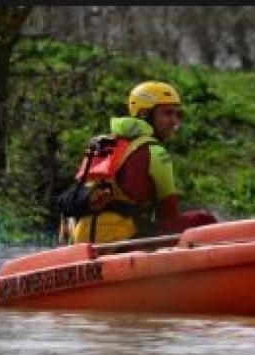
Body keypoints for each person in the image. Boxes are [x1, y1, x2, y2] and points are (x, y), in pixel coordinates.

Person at [59, 81, 217, 244]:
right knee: (203, 219)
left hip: (81, 243)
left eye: (177, 114)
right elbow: (169, 213)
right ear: (144, 114)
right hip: (124, 242)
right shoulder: (155, 152)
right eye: (167, 113)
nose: (174, 121)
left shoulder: (101, 145)